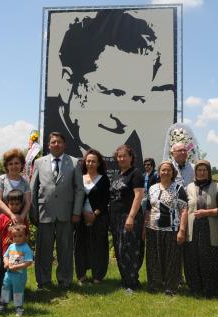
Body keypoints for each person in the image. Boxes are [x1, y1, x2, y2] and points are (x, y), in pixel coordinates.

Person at [44, 9, 176, 170]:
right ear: (67, 83)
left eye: (137, 99)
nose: (123, 120)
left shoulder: (132, 146)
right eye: (112, 93)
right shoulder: (51, 147)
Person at [30, 132, 85, 289]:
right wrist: (33, 212)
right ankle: (43, 280)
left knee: (65, 250)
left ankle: (65, 280)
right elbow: (33, 189)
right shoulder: (39, 162)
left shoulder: (74, 163)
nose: (56, 144)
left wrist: (76, 212)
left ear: (64, 144)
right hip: (44, 212)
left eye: (59, 142)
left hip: (66, 213)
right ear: (48, 144)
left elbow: (79, 190)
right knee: (43, 250)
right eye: (53, 142)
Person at [183, 160, 218, 297]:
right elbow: (183, 208)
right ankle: (195, 287)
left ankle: (212, 289)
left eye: (205, 170)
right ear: (195, 172)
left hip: (211, 228)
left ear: (209, 172)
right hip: (193, 229)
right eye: (199, 170)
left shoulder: (217, 187)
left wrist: (206, 213)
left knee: (211, 257)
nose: (202, 173)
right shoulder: (188, 187)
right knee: (193, 257)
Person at [144, 160, 188, 296]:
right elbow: (148, 209)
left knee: (171, 259)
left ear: (172, 172)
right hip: (153, 229)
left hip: (172, 229)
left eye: (168, 170)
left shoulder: (178, 188)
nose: (165, 172)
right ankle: (155, 284)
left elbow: (184, 210)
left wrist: (182, 230)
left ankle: (171, 286)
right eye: (163, 170)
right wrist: (144, 228)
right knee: (153, 258)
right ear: (159, 172)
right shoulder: (152, 188)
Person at [108, 144, 145, 293]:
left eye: (125, 155)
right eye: (119, 156)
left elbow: (138, 196)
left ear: (131, 157)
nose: (122, 158)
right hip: (115, 217)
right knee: (120, 250)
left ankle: (132, 282)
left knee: (130, 249)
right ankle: (125, 280)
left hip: (129, 216)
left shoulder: (135, 173)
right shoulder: (117, 174)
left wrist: (130, 217)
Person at [75, 149, 110, 284]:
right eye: (88, 161)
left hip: (99, 218)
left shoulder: (104, 179)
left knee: (99, 246)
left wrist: (94, 214)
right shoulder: (80, 178)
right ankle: (81, 275)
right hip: (81, 217)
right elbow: (76, 197)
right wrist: (83, 213)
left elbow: (106, 199)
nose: (90, 163)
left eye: (93, 161)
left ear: (99, 163)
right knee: (80, 246)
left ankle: (98, 276)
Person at [0, 190, 30, 297]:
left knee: (17, 272)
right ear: (7, 204)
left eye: (17, 204)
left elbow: (26, 235)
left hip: (18, 252)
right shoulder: (2, 217)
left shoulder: (23, 219)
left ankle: (17, 293)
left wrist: (26, 248)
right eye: (11, 204)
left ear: (21, 205)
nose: (14, 206)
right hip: (6, 252)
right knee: (4, 273)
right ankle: (2, 295)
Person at [0, 224, 33, 317]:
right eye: (15, 236)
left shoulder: (26, 248)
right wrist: (6, 263)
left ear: (25, 236)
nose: (18, 238)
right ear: (12, 237)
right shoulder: (11, 246)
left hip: (19, 276)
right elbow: (5, 256)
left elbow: (29, 262)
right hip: (9, 274)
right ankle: (3, 303)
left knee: (18, 291)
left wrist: (18, 267)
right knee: (5, 287)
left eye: (20, 236)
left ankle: (19, 307)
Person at [0, 149, 31, 229]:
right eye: (10, 164)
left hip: (20, 221)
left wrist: (21, 217)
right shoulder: (0, 180)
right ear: (6, 166)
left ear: (21, 164)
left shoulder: (25, 182)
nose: (14, 166)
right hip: (0, 221)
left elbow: (28, 202)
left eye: (16, 163)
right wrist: (11, 215)